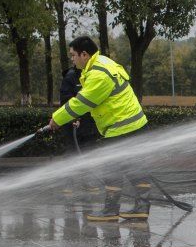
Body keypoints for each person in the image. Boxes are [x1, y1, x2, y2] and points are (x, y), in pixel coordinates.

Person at [45, 36, 150, 222]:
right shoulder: (101, 64)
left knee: (112, 167)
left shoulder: (99, 73)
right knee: (130, 166)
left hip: (122, 126)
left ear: (84, 54)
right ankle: (141, 207)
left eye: (73, 55)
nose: (72, 59)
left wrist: (57, 119)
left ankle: (111, 211)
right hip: (129, 124)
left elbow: (82, 102)